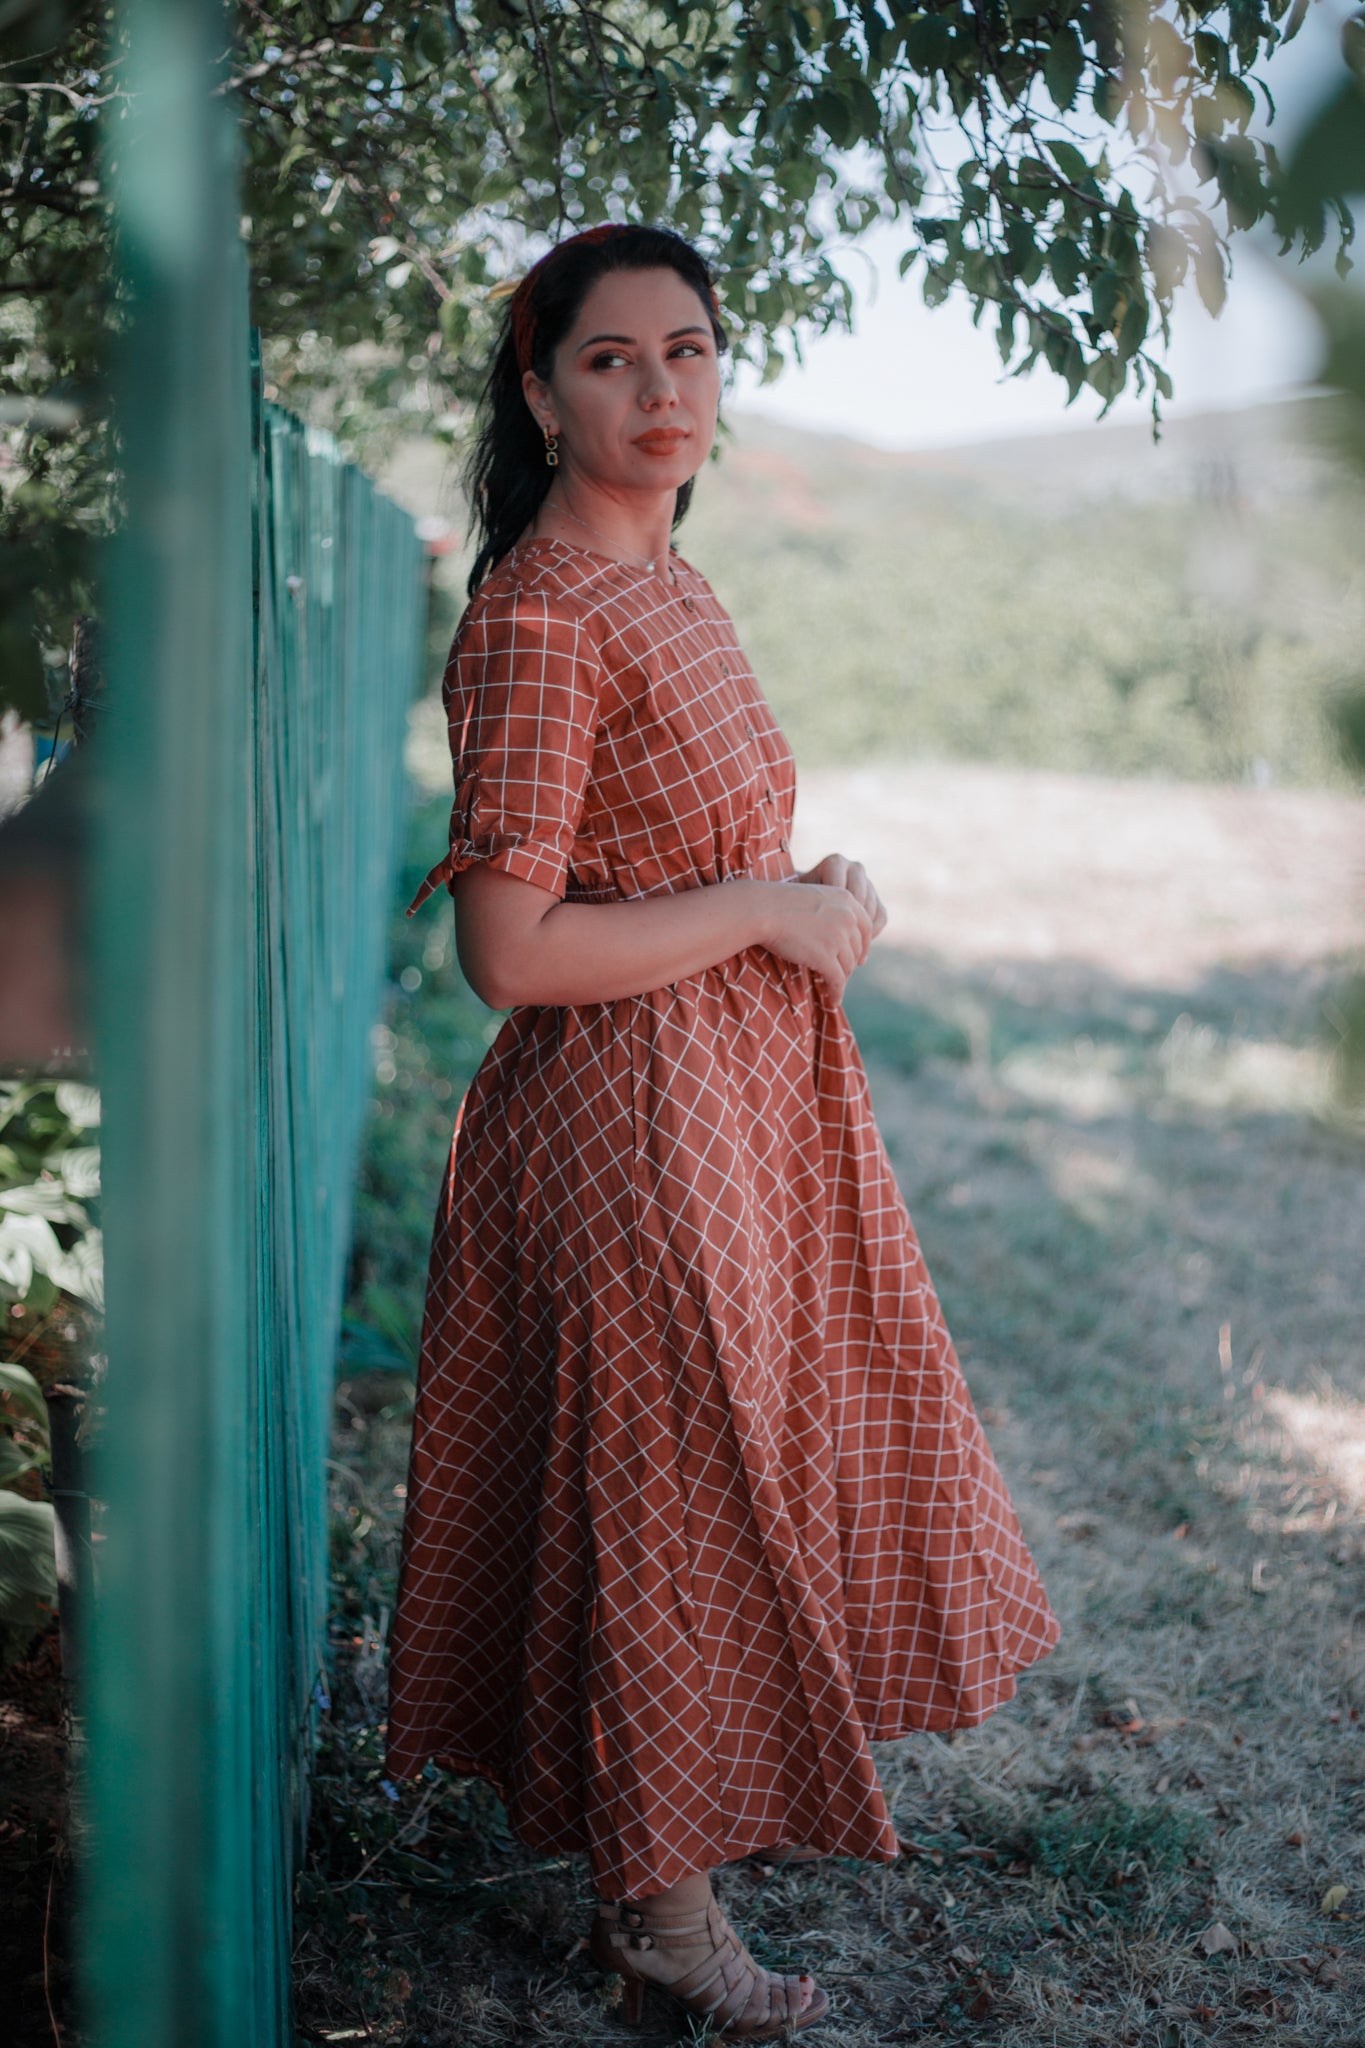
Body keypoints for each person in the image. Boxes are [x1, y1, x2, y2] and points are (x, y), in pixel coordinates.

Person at [385, 221, 1060, 2040]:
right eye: (610, 359)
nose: (659, 387)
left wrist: (791, 885)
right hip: (622, 1131)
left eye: (686, 350)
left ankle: (664, 1883)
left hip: (726, 1111)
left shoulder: (668, 579)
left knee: (716, 1482)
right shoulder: (540, 616)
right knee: (663, 1500)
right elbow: (509, 950)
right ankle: (665, 1927)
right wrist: (767, 912)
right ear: (538, 393)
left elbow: (677, 859)